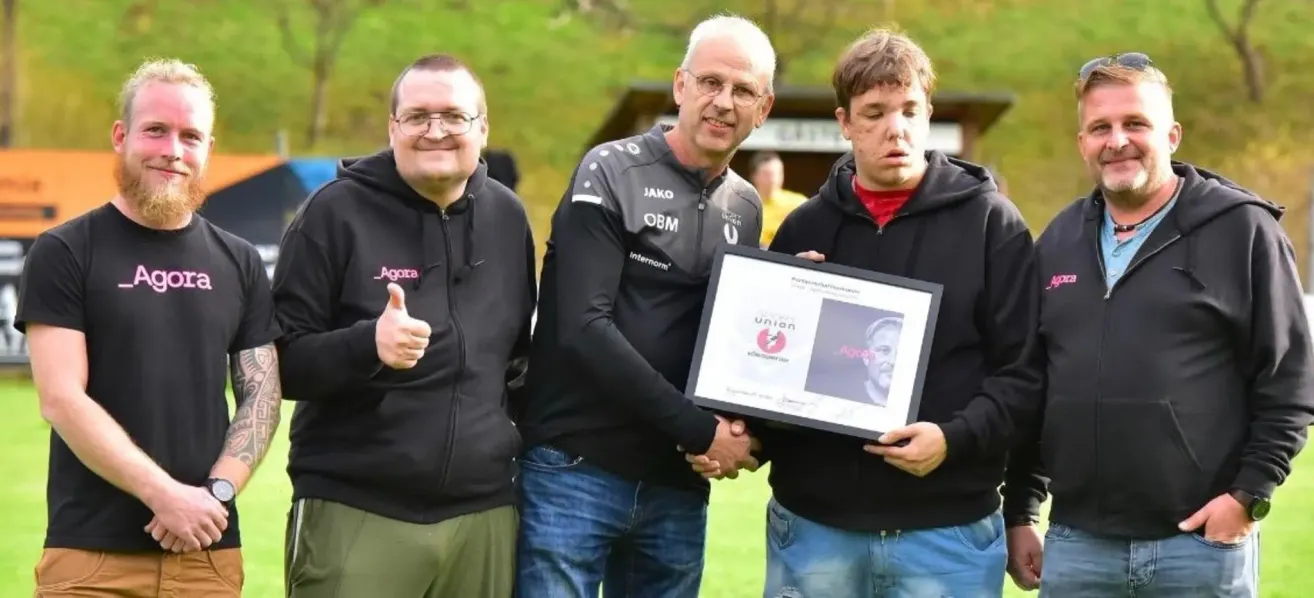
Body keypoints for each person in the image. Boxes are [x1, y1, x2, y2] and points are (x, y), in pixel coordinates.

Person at [728, 28, 1044, 597]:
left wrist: (954, 438)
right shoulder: (804, 228)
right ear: (844, 123)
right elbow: (768, 375)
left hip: (946, 530)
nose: (894, 128)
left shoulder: (993, 225)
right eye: (874, 112)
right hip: (813, 527)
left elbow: (1025, 377)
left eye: (909, 110)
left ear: (928, 115)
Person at [1002, 53, 1314, 598]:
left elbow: (1290, 382)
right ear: (1083, 144)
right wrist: (1022, 509)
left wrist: (1248, 497)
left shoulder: (1242, 231)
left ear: (1171, 135)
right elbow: (1034, 384)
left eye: (1135, 123)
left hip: (1198, 546)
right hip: (1077, 546)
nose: (1117, 140)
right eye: (1101, 127)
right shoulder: (1057, 241)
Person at [514, 14, 774, 597]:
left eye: (743, 90)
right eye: (710, 82)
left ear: (765, 107)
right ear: (680, 86)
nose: (723, 102)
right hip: (575, 468)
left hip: (676, 483)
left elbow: (730, 341)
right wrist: (701, 430)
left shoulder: (747, 206)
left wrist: (751, 435)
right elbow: (584, 327)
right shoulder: (611, 171)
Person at [272, 54, 536, 598]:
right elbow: (278, 363)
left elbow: (517, 362)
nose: (434, 131)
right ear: (393, 127)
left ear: (482, 127)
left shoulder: (508, 219)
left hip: (483, 516)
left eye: (453, 117)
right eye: (416, 117)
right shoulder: (332, 213)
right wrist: (367, 344)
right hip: (358, 508)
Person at [18, 58, 283, 597]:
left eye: (191, 136)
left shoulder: (239, 261)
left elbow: (262, 394)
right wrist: (165, 495)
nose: (173, 151)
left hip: (207, 554)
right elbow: (61, 399)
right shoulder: (65, 251)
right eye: (156, 130)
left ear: (209, 147)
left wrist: (216, 494)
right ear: (121, 136)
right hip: (91, 559)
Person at [748, 151, 808, 247]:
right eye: (767, 174)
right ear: (754, 176)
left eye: (777, 173)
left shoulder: (798, 204)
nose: (773, 179)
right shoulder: (744, 204)